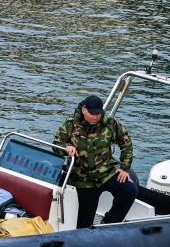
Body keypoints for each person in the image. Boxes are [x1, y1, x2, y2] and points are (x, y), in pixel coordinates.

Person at [53, 95, 137, 229]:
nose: (95, 117)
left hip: (106, 173)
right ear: (84, 110)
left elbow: (126, 143)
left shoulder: (110, 123)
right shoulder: (70, 125)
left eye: (98, 114)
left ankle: (109, 223)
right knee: (84, 223)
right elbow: (56, 145)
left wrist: (125, 167)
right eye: (92, 114)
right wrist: (66, 148)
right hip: (83, 179)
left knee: (129, 190)